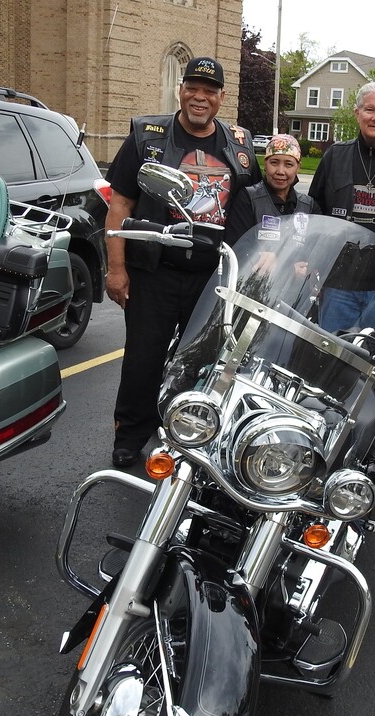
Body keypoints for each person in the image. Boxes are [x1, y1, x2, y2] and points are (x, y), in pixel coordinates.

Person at [104, 56, 260, 468]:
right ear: (181, 89)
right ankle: (131, 433)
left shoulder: (239, 145)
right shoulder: (146, 136)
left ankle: (186, 434)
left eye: (210, 91)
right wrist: (116, 268)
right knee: (144, 357)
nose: (200, 97)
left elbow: (254, 207)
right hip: (154, 271)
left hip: (211, 276)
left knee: (200, 361)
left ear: (222, 98)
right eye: (193, 87)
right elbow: (120, 202)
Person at [308, 80, 375, 338]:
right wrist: (317, 270)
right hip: (338, 285)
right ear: (357, 113)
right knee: (329, 364)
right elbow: (315, 216)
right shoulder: (335, 156)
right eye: (369, 110)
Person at [224, 133, 319, 245]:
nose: (280, 171)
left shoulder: (308, 206)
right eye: (274, 163)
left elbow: (316, 248)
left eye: (289, 164)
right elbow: (237, 246)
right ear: (265, 163)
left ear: (298, 167)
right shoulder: (248, 199)